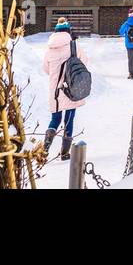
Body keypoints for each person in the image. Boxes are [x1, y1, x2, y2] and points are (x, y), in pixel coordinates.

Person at [42, 17, 88, 160]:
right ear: (68, 30)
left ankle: (45, 149)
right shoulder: (73, 46)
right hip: (70, 88)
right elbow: (84, 62)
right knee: (69, 118)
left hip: (55, 90)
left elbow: (45, 69)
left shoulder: (49, 49)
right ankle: (65, 152)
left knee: (55, 119)